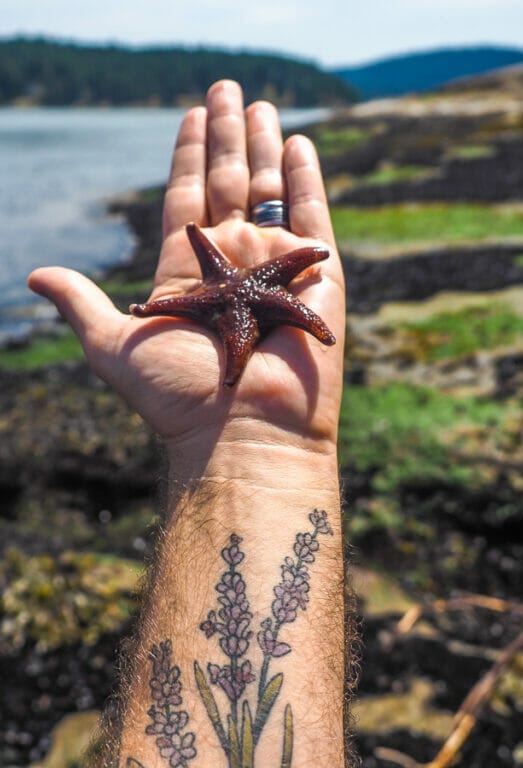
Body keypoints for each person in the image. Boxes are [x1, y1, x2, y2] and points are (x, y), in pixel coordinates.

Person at [29, 79, 349, 767]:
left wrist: (239, 444)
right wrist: (256, 450)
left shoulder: (242, 293)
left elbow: (260, 287)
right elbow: (245, 289)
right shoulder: (239, 292)